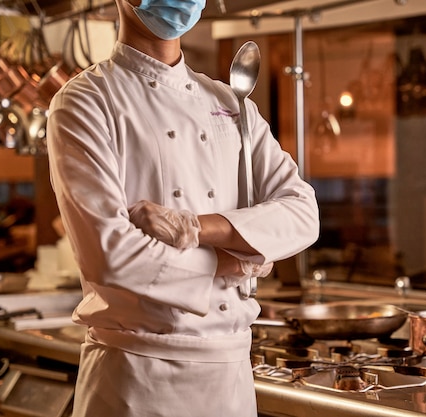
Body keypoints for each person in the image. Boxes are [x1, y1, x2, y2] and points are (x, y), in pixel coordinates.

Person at [46, 0, 320, 416]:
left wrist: (194, 227)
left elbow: (302, 213)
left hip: (231, 376)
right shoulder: (84, 101)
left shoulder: (232, 104)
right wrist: (234, 262)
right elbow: (111, 255)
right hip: (135, 377)